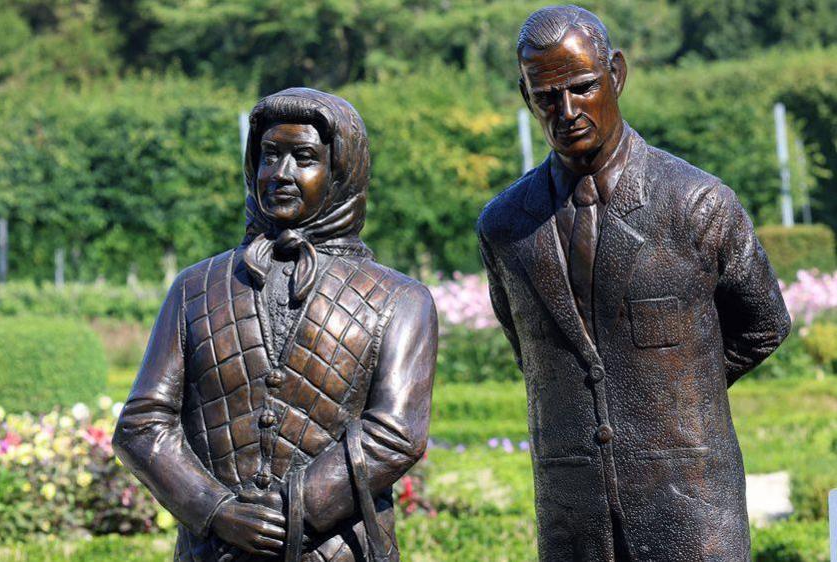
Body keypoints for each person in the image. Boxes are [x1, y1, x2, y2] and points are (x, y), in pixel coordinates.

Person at [477, 5, 791, 560]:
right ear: (526, 97)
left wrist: (676, 390)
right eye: (546, 96)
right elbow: (530, 351)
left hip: (691, 508)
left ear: (616, 75)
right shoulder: (506, 227)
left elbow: (765, 323)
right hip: (572, 516)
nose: (567, 111)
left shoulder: (696, 203)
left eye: (582, 87)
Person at [114, 87, 437, 562]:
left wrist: (293, 510)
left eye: (303, 157)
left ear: (341, 171)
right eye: (269, 155)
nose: (280, 174)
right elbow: (142, 424)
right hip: (214, 551)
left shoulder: (401, 299)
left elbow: (396, 433)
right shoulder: (193, 288)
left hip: (338, 550)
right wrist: (216, 510)